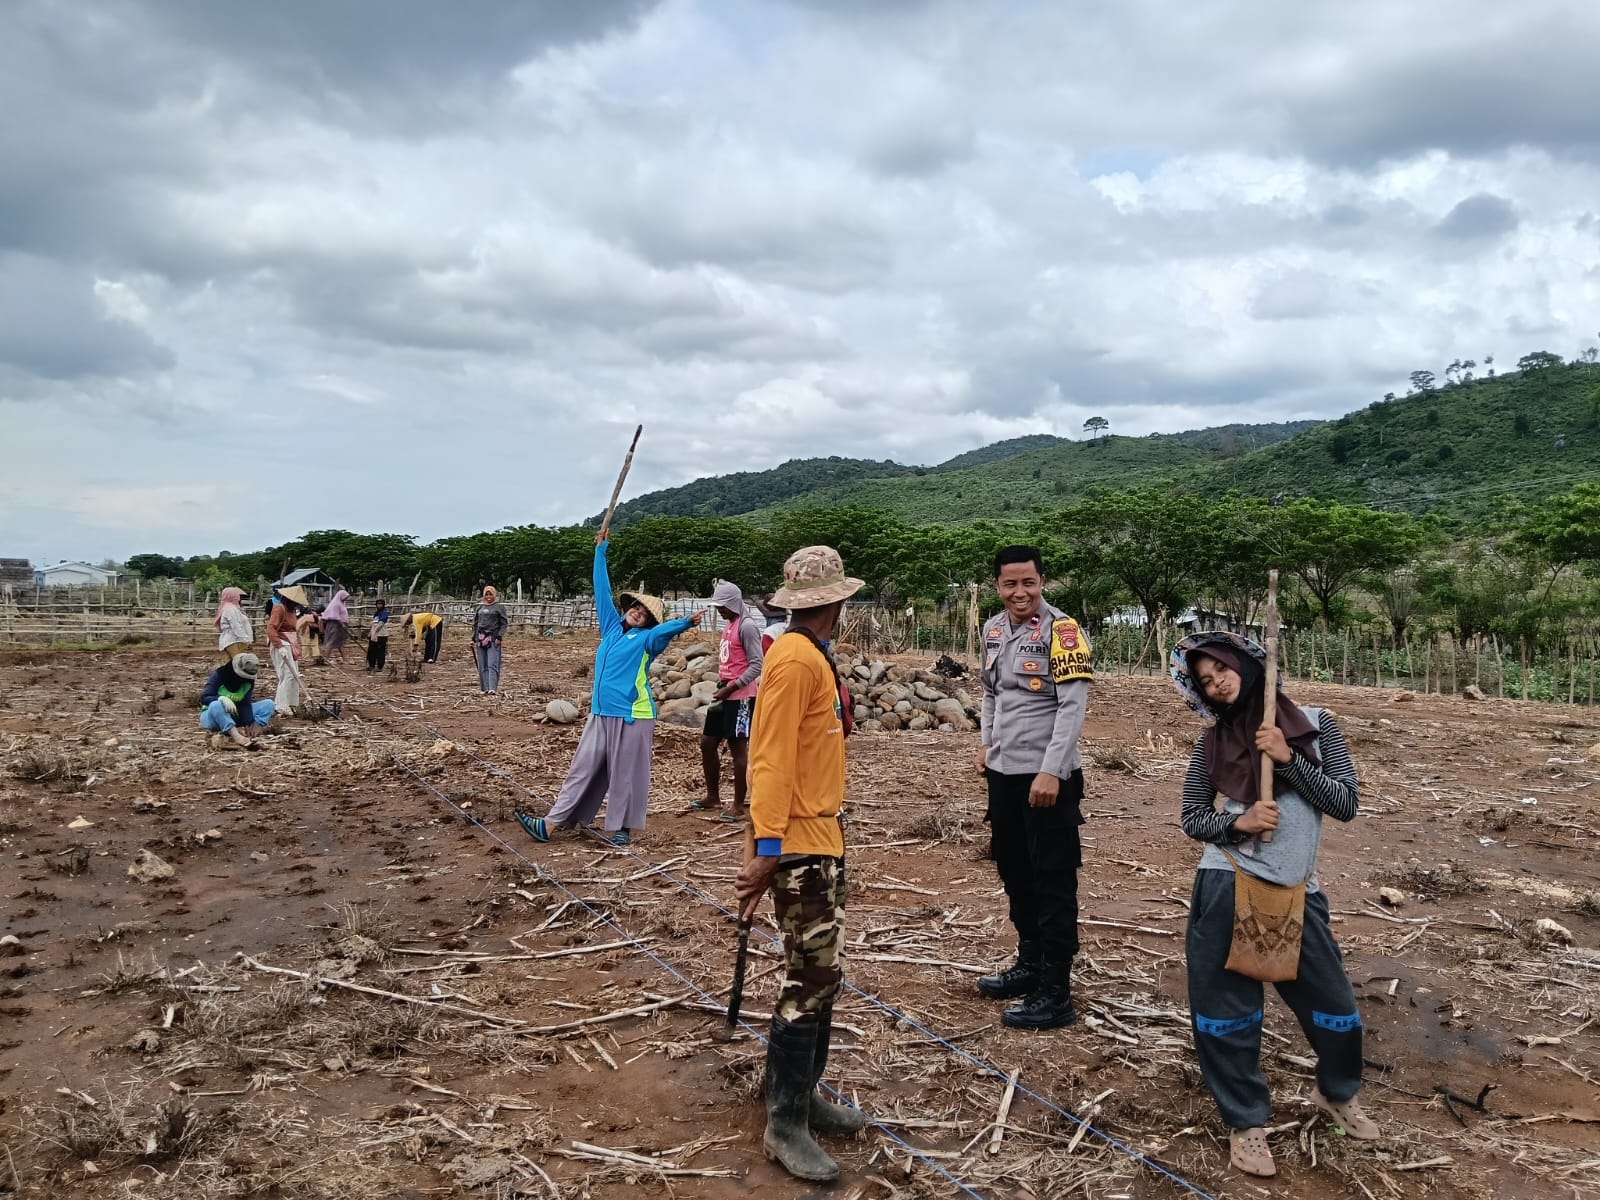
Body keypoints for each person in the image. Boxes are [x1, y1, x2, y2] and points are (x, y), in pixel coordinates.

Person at [1171, 632, 1377, 1178]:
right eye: (1205, 681)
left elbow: (1346, 803)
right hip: (1228, 882)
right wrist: (1239, 822)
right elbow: (1193, 818)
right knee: (1228, 1015)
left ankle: (1336, 1092)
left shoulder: (1316, 723)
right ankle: (1246, 1122)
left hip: (1298, 890)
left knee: (1335, 1008)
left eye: (1222, 669)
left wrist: (1288, 760)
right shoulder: (1212, 743)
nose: (1217, 683)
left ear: (1247, 665)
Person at [735, 545, 870, 1183]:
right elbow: (769, 762)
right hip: (796, 846)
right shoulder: (792, 660)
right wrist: (766, 851)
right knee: (809, 978)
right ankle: (784, 1123)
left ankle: (803, 1096)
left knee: (824, 975)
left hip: (822, 837)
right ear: (836, 601)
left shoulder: (811, 654)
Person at [974, 544, 1094, 1031]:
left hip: (1048, 777)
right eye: (1010, 583)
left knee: (1053, 879)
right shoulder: (992, 629)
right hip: (1003, 773)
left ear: (1042, 581)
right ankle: (1030, 965)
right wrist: (986, 744)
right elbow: (990, 693)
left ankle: (1056, 990)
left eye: (1029, 582)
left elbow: (1072, 707)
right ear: (998, 586)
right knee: (1015, 871)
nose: (1020, 592)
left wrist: (1051, 771)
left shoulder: (1063, 632)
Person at [517, 531, 701, 847]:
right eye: (636, 607)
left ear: (649, 621)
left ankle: (622, 830)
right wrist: (600, 552)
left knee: (625, 773)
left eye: (644, 613)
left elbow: (665, 631)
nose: (638, 612)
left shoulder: (648, 639)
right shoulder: (611, 628)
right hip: (600, 713)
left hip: (633, 714)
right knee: (582, 769)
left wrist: (685, 622)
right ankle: (551, 823)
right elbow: (601, 590)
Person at [694, 581, 764, 821]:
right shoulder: (730, 623)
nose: (720, 610)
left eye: (723, 606)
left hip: (740, 697)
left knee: (738, 749)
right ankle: (713, 796)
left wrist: (733, 686)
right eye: (718, 607)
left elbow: (757, 664)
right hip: (723, 692)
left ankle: (738, 805)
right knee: (707, 742)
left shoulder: (747, 627)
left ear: (733, 603)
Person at [199, 652, 275, 749]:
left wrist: (248, 722)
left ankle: (252, 734)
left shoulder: (248, 681)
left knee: (268, 704)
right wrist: (221, 699)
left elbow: (245, 704)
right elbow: (204, 697)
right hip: (213, 716)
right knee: (216, 705)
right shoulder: (219, 675)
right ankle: (236, 736)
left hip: (235, 714)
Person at [266, 585, 308, 711]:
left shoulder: (292, 611)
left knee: (294, 675)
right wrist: (279, 646)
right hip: (281, 643)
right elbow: (271, 628)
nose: (296, 604)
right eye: (295, 602)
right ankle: (281, 705)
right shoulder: (279, 608)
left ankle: (291, 704)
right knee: (287, 675)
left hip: (290, 643)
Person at [473, 585, 509, 694]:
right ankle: (484, 688)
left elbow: (504, 624)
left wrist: (499, 636)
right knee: (482, 664)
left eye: (490, 594)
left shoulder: (499, 607)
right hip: (481, 638)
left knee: (492, 663)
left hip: (493, 638)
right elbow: (475, 624)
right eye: (486, 594)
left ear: (494, 595)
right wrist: (473, 638)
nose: (488, 597)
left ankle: (492, 688)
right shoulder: (480, 608)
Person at [214, 586, 252, 664]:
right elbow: (236, 626)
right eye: (237, 595)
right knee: (238, 663)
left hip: (231, 640)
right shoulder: (230, 609)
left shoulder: (229, 608)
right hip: (233, 640)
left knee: (229, 664)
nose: (238, 597)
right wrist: (245, 639)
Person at [322, 589, 351, 663]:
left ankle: (344, 659)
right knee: (331, 641)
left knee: (340, 642)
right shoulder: (336, 604)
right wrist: (341, 624)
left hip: (340, 625)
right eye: (345, 597)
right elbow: (335, 615)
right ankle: (326, 658)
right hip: (336, 625)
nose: (346, 598)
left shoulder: (341, 604)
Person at [367, 600, 390, 672]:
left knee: (380, 651)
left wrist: (375, 632)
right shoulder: (376, 613)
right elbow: (374, 624)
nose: (379, 606)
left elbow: (381, 623)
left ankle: (380, 666)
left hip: (381, 635)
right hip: (374, 635)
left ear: (383, 605)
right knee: (371, 650)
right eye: (378, 604)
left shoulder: (384, 613)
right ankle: (371, 665)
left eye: (380, 604)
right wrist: (371, 633)